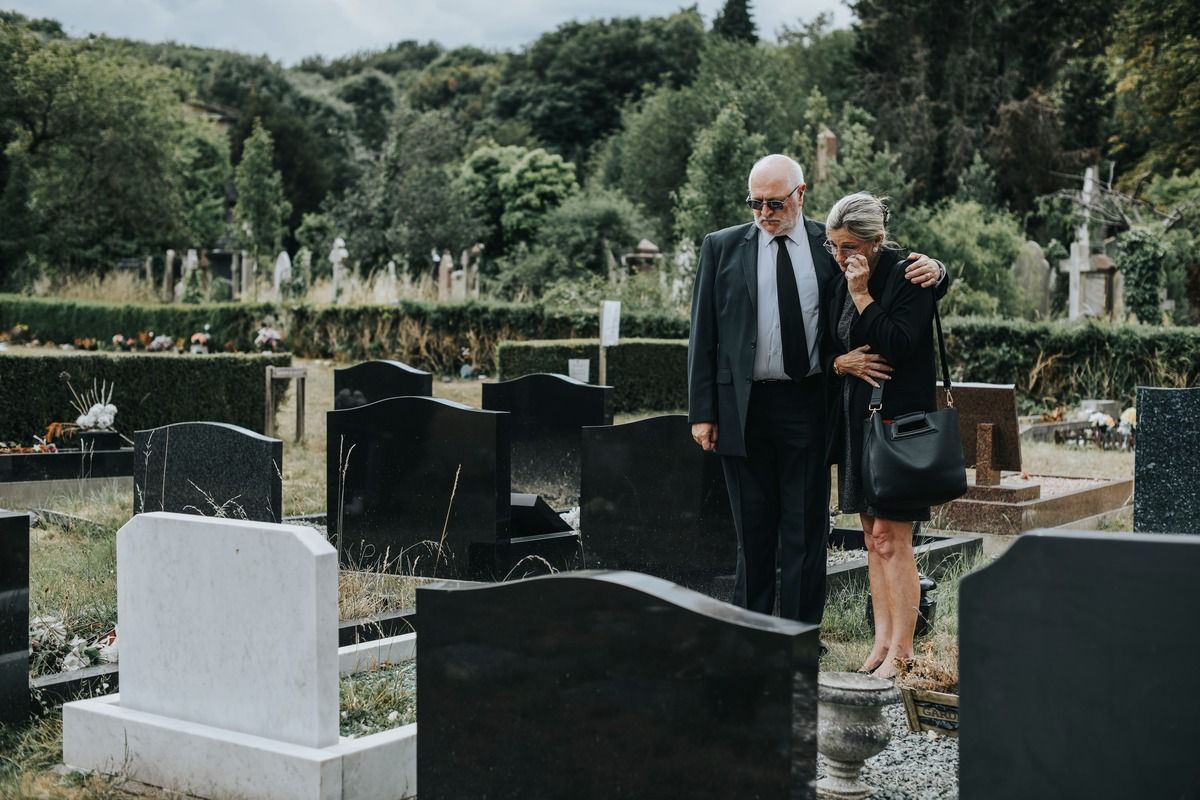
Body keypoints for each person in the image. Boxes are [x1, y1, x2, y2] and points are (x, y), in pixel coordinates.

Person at [687, 154, 946, 626]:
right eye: (756, 203)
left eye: (775, 203)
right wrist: (702, 412)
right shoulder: (721, 247)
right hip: (740, 408)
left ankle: (802, 633)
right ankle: (755, 633)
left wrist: (937, 271)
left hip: (807, 403)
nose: (765, 213)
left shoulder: (827, 245)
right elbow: (703, 332)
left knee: (805, 529)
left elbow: (887, 272)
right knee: (752, 530)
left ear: (800, 195)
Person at [823, 192, 937, 678]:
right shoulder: (837, 275)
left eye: (849, 246)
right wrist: (837, 362)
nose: (840, 256)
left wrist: (864, 294)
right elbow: (831, 341)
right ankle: (882, 644)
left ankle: (905, 651)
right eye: (833, 246)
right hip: (856, 425)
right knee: (872, 539)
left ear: (876, 241)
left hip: (898, 427)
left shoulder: (909, 274)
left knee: (894, 538)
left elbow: (899, 344)